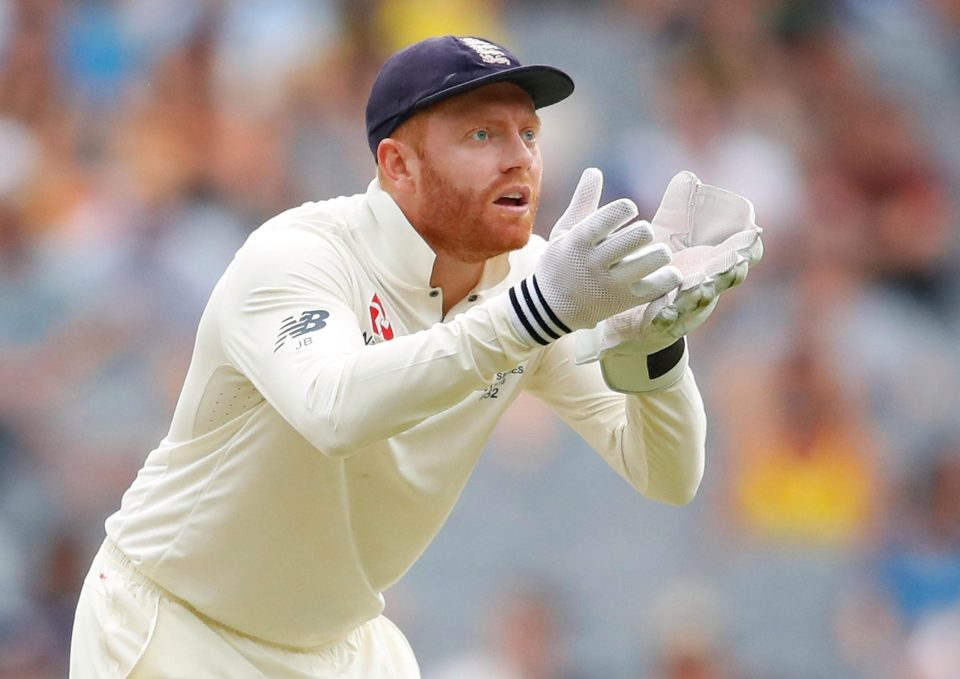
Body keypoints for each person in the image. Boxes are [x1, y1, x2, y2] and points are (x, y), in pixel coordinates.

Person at [69, 35, 761, 678]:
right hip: (176, 626)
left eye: (528, 133)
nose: (519, 155)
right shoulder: (299, 255)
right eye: (482, 133)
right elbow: (334, 409)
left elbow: (668, 475)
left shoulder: (536, 280)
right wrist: (534, 316)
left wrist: (653, 350)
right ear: (398, 165)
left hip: (337, 646)